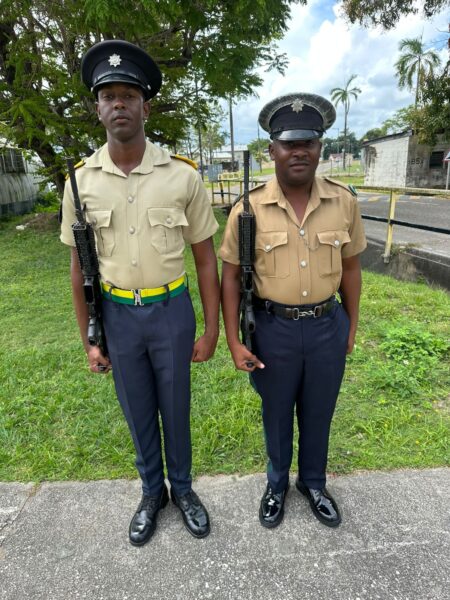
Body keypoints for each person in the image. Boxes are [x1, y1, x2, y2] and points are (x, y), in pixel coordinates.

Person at [60, 40, 220, 545]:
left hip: (171, 310)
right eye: (109, 96)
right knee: (136, 407)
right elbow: (78, 267)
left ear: (145, 107)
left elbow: (205, 258)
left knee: (176, 407)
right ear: (98, 109)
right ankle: (152, 493)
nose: (119, 104)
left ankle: (184, 491)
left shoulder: (181, 176)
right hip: (118, 316)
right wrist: (89, 338)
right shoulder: (80, 183)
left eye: (128, 95)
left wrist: (212, 328)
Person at [220, 93, 367, 529]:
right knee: (277, 413)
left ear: (320, 147)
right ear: (272, 150)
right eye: (289, 143)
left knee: (319, 411)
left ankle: (314, 483)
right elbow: (230, 277)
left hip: (326, 325)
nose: (299, 151)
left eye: (308, 142)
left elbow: (352, 268)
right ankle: (277, 484)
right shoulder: (247, 210)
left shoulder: (343, 202)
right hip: (272, 329)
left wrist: (350, 327)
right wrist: (234, 341)